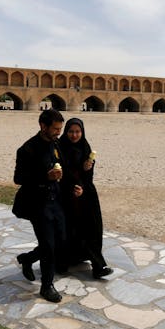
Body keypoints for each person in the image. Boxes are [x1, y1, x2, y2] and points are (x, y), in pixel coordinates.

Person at [12, 109, 74, 302]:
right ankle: (47, 286)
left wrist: (73, 186)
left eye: (60, 129)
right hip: (37, 202)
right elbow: (18, 178)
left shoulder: (56, 144)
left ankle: (27, 258)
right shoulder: (27, 149)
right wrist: (44, 177)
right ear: (43, 126)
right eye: (55, 129)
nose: (58, 132)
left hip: (56, 200)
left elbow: (63, 167)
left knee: (60, 240)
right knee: (48, 245)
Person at [60, 117, 113, 279]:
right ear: (66, 132)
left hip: (86, 193)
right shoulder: (60, 147)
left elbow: (88, 173)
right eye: (71, 131)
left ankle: (98, 265)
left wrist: (88, 167)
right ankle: (65, 260)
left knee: (91, 227)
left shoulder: (85, 146)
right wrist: (72, 187)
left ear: (82, 132)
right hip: (66, 194)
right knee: (70, 229)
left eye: (77, 132)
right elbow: (60, 171)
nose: (74, 135)